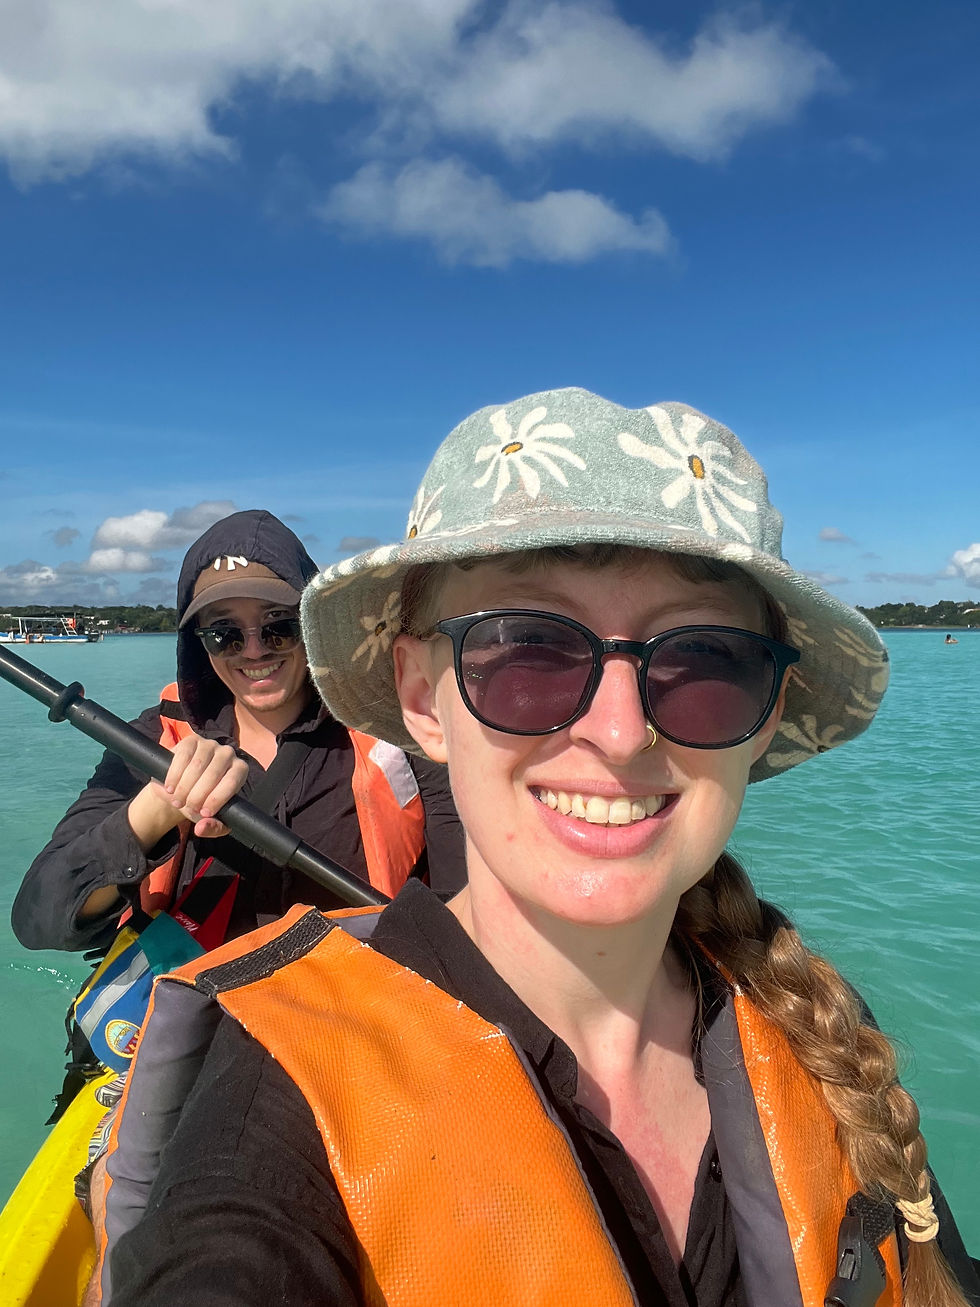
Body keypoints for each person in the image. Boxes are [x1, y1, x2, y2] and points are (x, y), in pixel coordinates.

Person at [99, 395, 978, 1307]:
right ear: (421, 697)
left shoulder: (818, 1029)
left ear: (763, 717)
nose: (622, 731)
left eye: (705, 659)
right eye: (528, 650)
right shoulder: (272, 1109)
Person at [12, 508, 464, 962]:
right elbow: (39, 919)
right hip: (196, 1017)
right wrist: (154, 812)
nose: (253, 650)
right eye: (224, 633)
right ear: (197, 641)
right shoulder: (152, 740)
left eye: (278, 626)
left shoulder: (397, 729)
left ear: (312, 626)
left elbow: (464, 903)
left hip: (351, 1013)